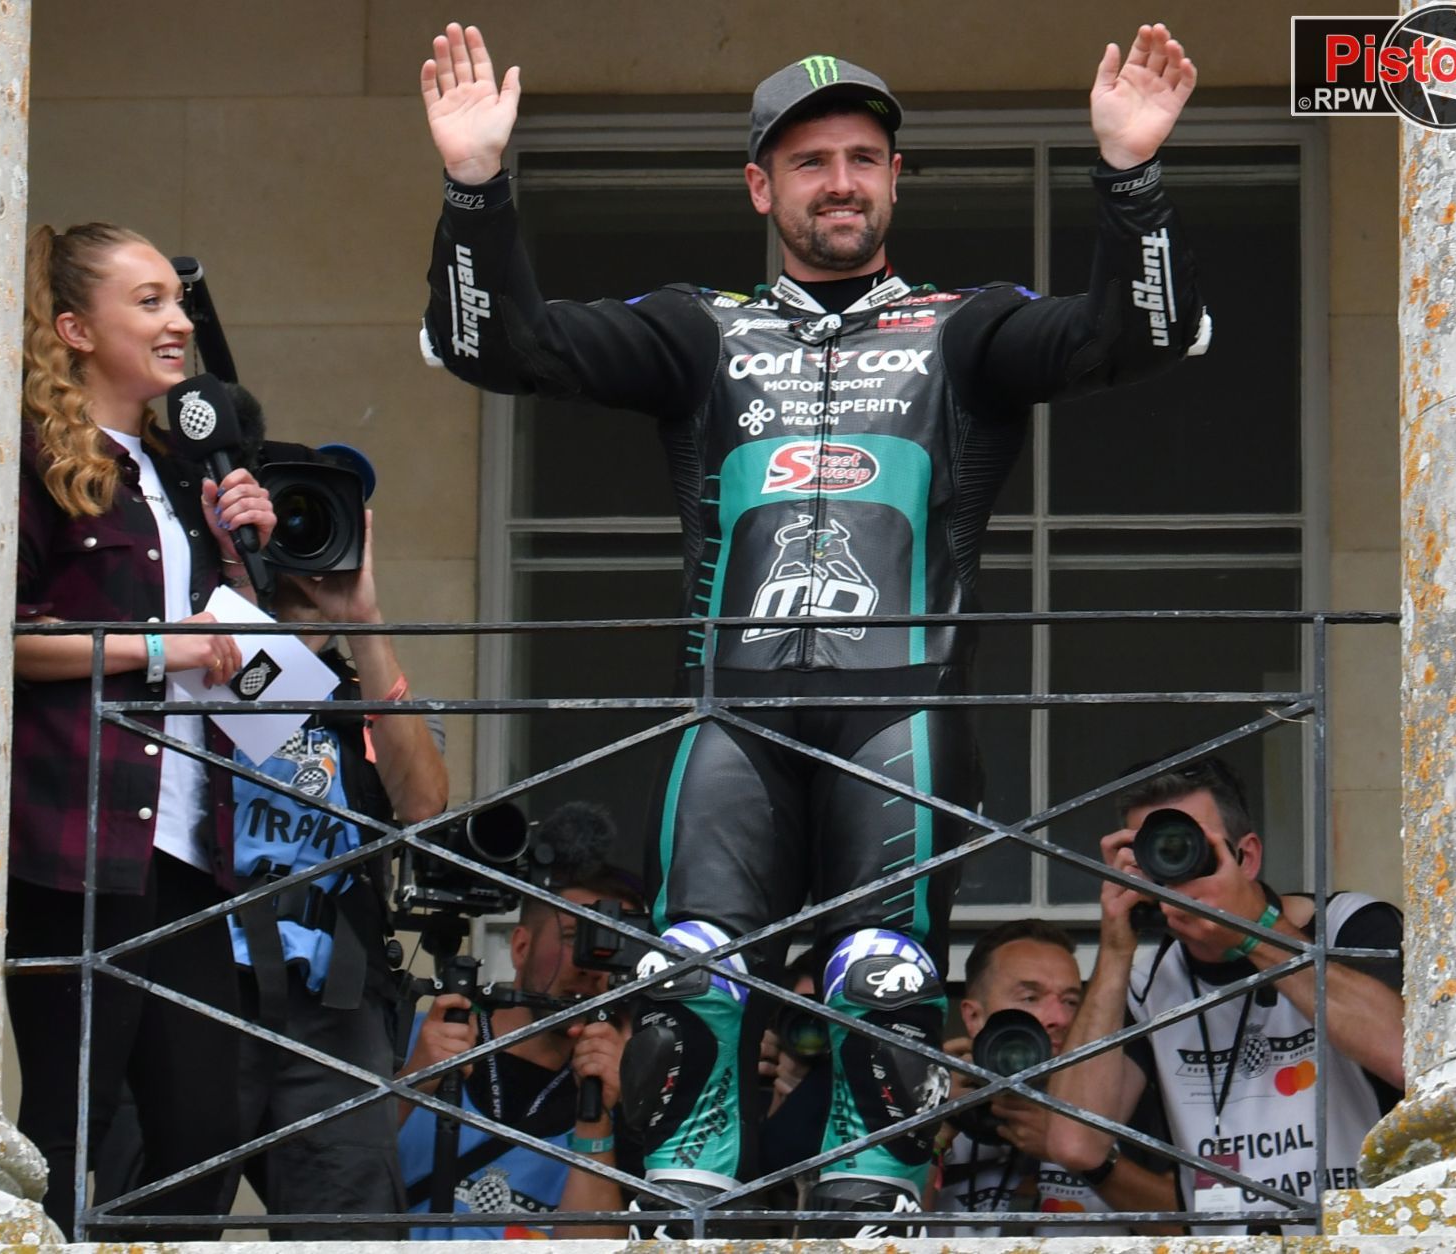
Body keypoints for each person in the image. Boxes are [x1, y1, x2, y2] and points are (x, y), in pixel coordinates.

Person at [416, 21, 1209, 1226]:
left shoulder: (968, 324)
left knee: (885, 984)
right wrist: (476, 187)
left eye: (862, 159)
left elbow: (1137, 334)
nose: (839, 181)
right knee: (686, 974)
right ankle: (685, 1208)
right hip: (732, 716)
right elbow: (496, 343)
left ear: (895, 180)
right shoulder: (699, 329)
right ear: (760, 184)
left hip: (905, 717)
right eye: (809, 161)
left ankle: (873, 1205)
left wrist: (1131, 175)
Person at [8, 221, 276, 1237]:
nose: (178, 324)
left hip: (188, 844)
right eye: (150, 302)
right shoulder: (35, 459)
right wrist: (160, 645)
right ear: (75, 329)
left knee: (208, 1124)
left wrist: (242, 563)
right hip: (74, 842)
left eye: (178, 301)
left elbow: (231, 646)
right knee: (70, 1119)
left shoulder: (176, 467)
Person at [227, 435, 450, 1239]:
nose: (310, 532)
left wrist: (362, 621)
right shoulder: (205, 644)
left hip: (335, 989)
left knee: (350, 1219)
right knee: (147, 1196)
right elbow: (226, 708)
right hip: (204, 969)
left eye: (331, 515)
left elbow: (422, 801)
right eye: (291, 509)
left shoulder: (368, 689)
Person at [1042, 757, 1405, 1235]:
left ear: (1246, 857)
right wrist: (1114, 949)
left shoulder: (1346, 925)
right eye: (1156, 853)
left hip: (1358, 1239)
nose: (1176, 867)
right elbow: (1075, 1142)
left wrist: (1257, 933)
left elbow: (1407, 1055)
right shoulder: (1147, 979)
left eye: (1193, 847)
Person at [397, 805, 640, 1240]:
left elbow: (593, 1250)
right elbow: (329, 1175)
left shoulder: (620, 1090)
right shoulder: (419, 1038)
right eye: (574, 937)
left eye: (613, 945)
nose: (591, 962)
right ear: (521, 946)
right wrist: (414, 1080)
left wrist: (597, 1120)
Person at [929, 919, 1163, 1236]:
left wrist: (1085, 1152)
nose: (1060, 1019)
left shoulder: (1120, 1095)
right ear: (973, 1016)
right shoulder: (936, 1099)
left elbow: (1195, 1229)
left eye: (1070, 1001)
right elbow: (876, 1231)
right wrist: (937, 1127)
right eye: (1030, 998)